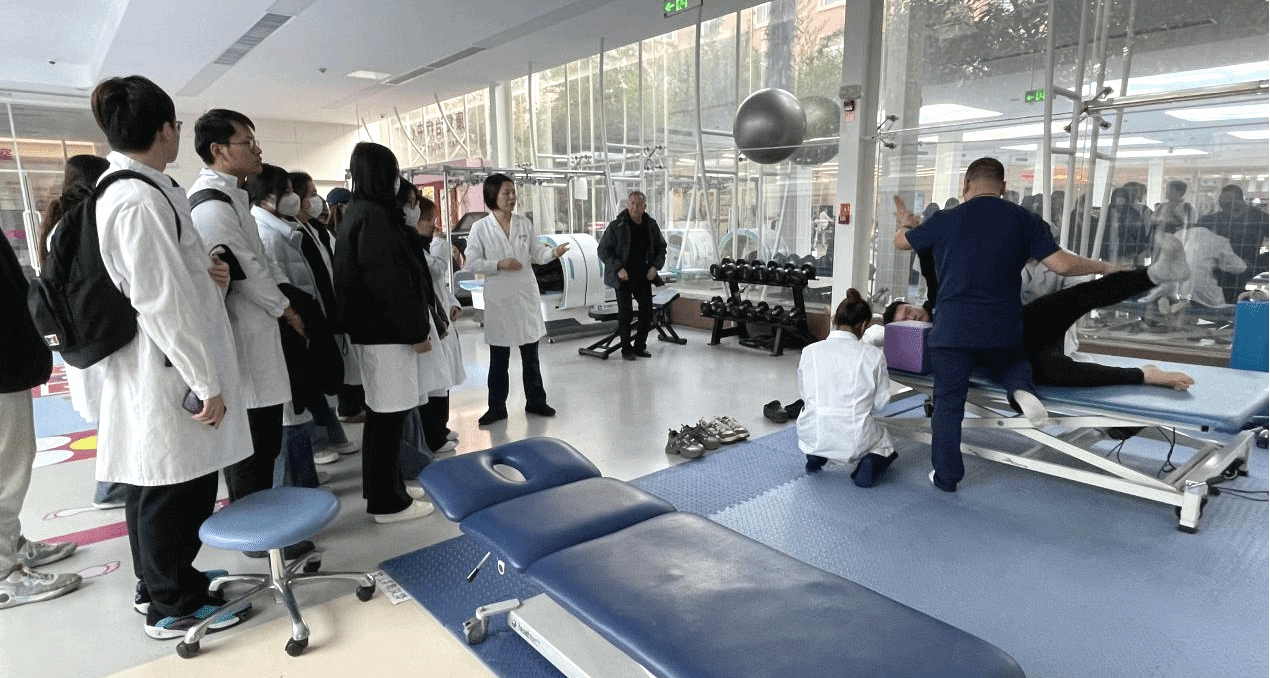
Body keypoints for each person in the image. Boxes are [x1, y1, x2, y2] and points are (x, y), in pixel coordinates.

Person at [89, 75, 250, 637]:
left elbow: (168, 280)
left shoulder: (142, 189)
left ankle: (160, 582)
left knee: (156, 481)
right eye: (176, 125)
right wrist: (205, 382)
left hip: (163, 363)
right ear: (164, 130)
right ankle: (172, 604)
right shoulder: (136, 199)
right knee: (173, 488)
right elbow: (161, 302)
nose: (177, 133)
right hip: (169, 369)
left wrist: (206, 274)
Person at [893, 157, 1116, 493]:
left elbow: (901, 243)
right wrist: (1105, 267)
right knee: (1013, 360)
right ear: (1004, 187)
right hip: (1002, 327)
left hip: (952, 330)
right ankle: (1021, 389)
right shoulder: (1024, 219)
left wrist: (904, 225)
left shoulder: (944, 219)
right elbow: (1063, 265)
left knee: (949, 403)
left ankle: (947, 477)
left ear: (966, 184)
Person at [187, 110, 319, 561]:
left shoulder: (232, 197)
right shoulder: (211, 206)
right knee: (252, 448)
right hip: (243, 338)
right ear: (219, 150)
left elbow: (257, 263)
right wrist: (286, 310)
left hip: (258, 334)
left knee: (264, 442)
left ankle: (264, 529)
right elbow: (246, 272)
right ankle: (256, 538)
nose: (257, 150)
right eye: (248, 142)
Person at [883, 233, 1195, 390]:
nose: (912, 318)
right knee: (1058, 373)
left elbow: (930, 268)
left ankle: (1156, 274)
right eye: (905, 322)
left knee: (1074, 298)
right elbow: (881, 345)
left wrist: (911, 231)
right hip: (1017, 355)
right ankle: (1145, 375)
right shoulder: (927, 347)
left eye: (908, 311)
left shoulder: (940, 301)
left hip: (1024, 324)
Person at [333, 143, 440, 524]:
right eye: (393, 174)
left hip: (378, 334)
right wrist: (416, 331)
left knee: (386, 417)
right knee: (388, 419)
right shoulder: (373, 219)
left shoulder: (364, 213)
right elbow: (390, 285)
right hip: (387, 336)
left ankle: (388, 486)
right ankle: (387, 502)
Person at [32, 154, 127, 510]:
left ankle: (114, 484)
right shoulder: (83, 220)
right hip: (94, 331)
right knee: (113, 410)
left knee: (110, 410)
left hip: (82, 331)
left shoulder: (61, 221)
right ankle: (111, 488)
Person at [1, 229, 83, 609]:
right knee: (6, 471)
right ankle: (4, 573)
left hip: (10, 364)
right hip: (3, 368)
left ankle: (10, 545)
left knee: (14, 460)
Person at [248, 164, 337, 487]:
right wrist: (292, 314)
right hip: (283, 328)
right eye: (286, 191)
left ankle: (303, 477)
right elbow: (271, 283)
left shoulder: (285, 228)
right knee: (290, 412)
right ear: (265, 196)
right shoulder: (266, 232)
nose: (295, 198)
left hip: (298, 323)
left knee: (298, 408)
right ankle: (293, 485)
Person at [463, 173, 570, 425]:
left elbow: (537, 253)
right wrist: (499, 264)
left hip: (524, 297)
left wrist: (553, 253)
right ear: (493, 195)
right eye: (506, 193)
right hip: (499, 300)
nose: (512, 197)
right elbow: (472, 262)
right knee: (499, 358)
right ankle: (496, 407)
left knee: (530, 355)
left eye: (513, 192)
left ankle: (536, 401)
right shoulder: (480, 228)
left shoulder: (523, 223)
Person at [288, 171, 357, 460]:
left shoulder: (315, 229)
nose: (317, 201)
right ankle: (319, 442)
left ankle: (332, 435)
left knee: (328, 380)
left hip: (326, 313)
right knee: (314, 384)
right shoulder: (290, 232)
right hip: (304, 317)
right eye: (312, 194)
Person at [798, 289, 897, 488]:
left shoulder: (809, 351)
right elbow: (881, 403)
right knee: (885, 445)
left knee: (817, 417)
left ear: (835, 320)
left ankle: (816, 455)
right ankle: (869, 463)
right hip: (855, 439)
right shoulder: (873, 355)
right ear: (864, 325)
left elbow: (805, 394)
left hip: (812, 434)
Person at [413, 194, 465, 453]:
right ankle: (433, 436)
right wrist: (441, 244)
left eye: (433, 218)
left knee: (443, 379)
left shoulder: (425, 246)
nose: (433, 224)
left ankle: (441, 427)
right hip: (428, 322)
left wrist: (453, 304)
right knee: (434, 382)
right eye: (427, 219)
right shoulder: (416, 249)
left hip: (441, 318)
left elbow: (440, 286)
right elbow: (436, 269)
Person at [598, 191, 667, 360]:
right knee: (626, 313)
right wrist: (618, 268)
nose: (635, 207)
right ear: (628, 205)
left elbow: (661, 248)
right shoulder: (617, 226)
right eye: (632, 204)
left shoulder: (651, 225)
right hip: (623, 277)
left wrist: (655, 267)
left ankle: (639, 347)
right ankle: (626, 349)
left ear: (645, 207)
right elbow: (603, 250)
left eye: (638, 204)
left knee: (647, 312)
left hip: (643, 275)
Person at [1199, 184, 1269, 302]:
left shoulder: (1259, 218)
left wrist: (1256, 263)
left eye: (1227, 203)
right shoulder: (1214, 219)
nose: (1223, 207)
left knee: (1237, 302)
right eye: (1221, 203)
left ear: (1239, 200)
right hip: (1218, 271)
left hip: (1244, 271)